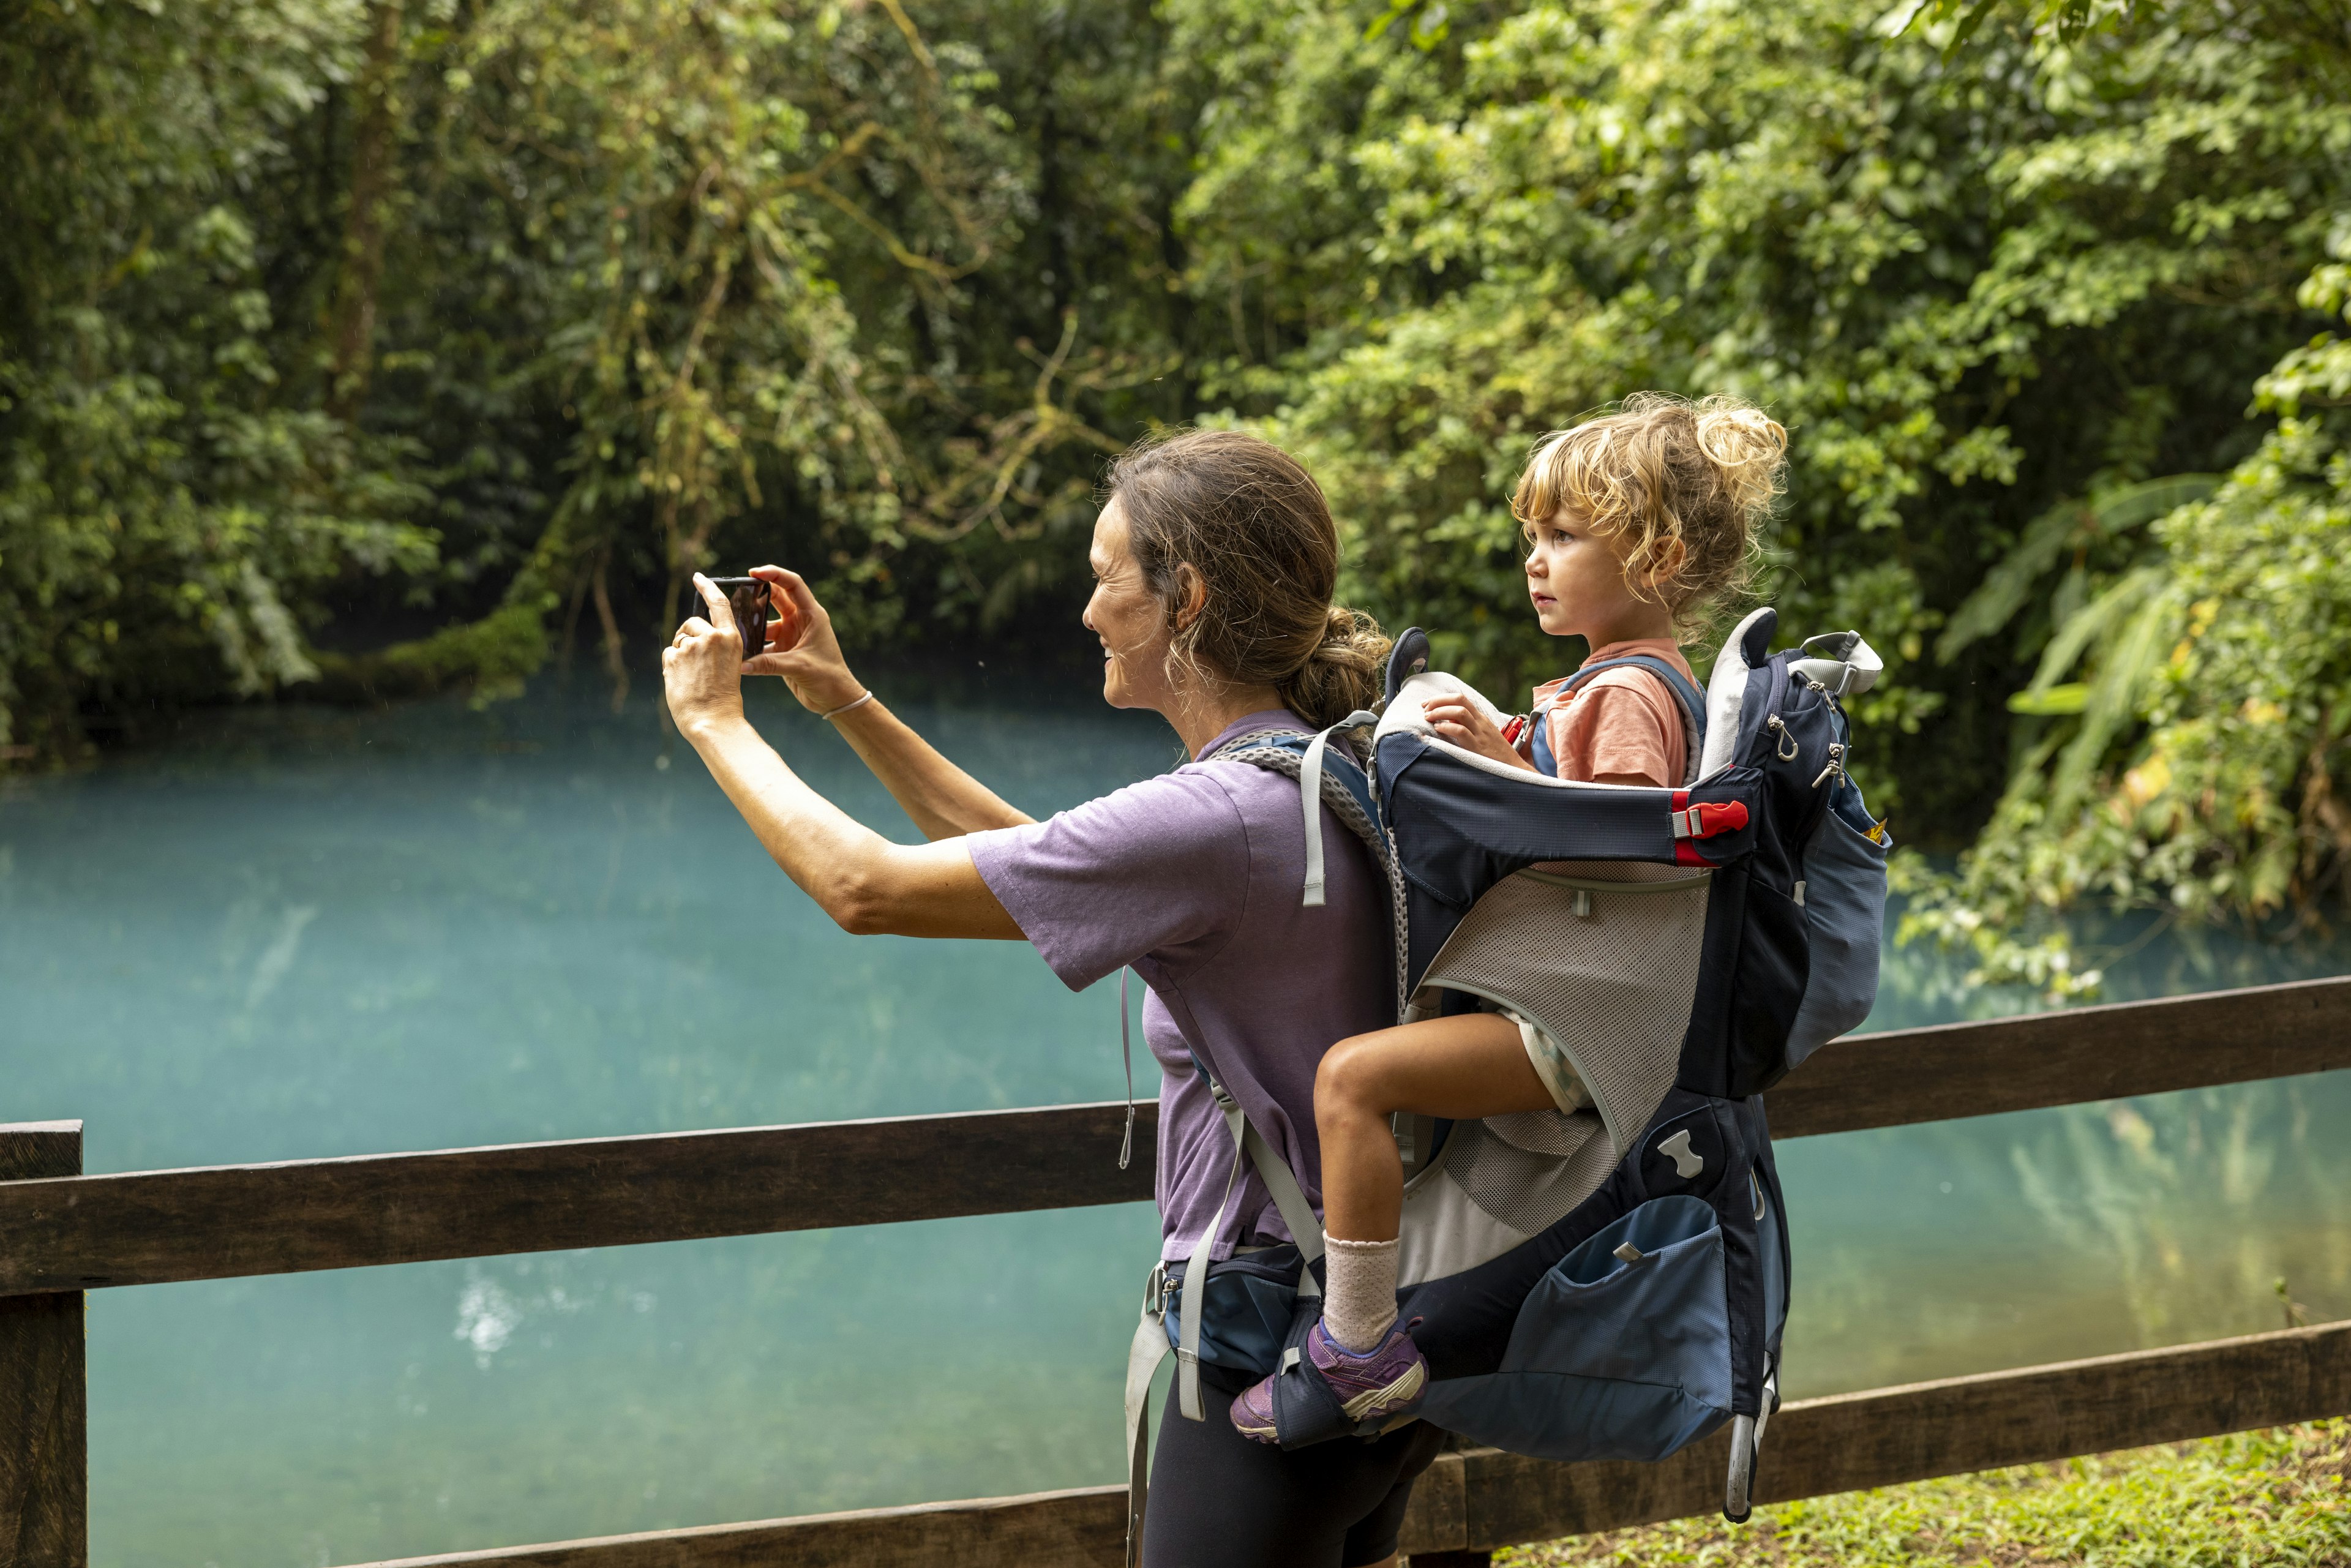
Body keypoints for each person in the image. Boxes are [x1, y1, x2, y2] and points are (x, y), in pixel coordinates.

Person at [661, 428, 1446, 1568]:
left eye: (1102, 576)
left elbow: (863, 886)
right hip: (1371, 1324)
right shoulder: (1323, 768)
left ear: (1188, 598)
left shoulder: (1214, 816)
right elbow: (1030, 860)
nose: (1086, 613)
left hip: (1256, 1344)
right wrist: (846, 700)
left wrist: (714, 722)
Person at [1230, 392, 1789, 1442]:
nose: (1537, 558)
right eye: (1534, 535)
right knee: (1374, 1081)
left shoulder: (1629, 690)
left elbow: (1628, 840)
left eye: (1566, 536)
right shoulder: (1605, 681)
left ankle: (1357, 1345)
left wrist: (1492, 763)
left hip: (1587, 1018)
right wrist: (1510, 742)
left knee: (1352, 1077)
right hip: (1585, 1001)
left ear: (1658, 556)